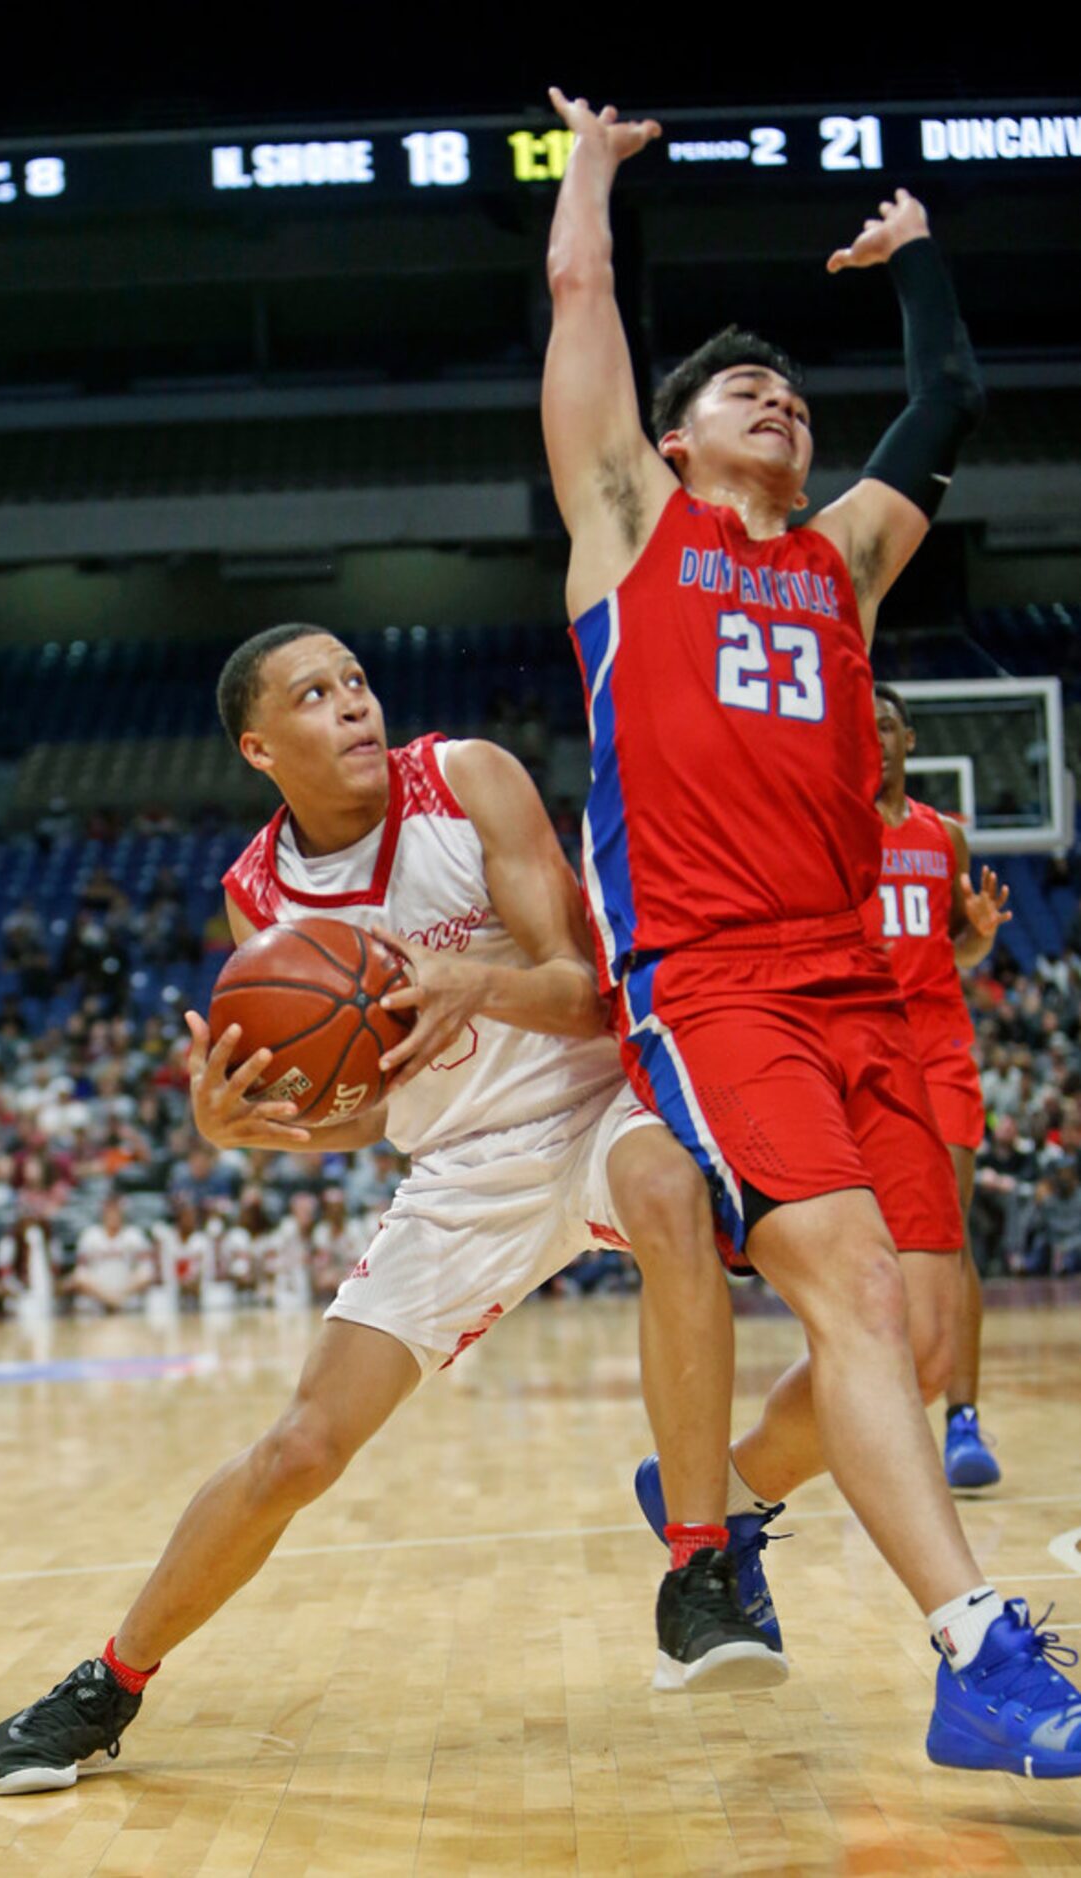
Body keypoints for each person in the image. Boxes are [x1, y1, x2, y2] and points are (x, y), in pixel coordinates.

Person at [0, 623, 769, 1797]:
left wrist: (476, 983)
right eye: (315, 693)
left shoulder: (467, 779)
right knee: (301, 1446)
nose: (353, 704)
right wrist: (252, 1125)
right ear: (259, 745)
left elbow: (592, 994)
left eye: (356, 681)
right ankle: (111, 1680)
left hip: (604, 1101)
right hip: (459, 1167)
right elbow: (360, 1101)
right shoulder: (263, 897)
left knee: (665, 1190)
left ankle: (700, 1566)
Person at [542, 87, 1081, 1776]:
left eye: (787, 387)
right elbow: (578, 313)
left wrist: (917, 257)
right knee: (851, 1283)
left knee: (914, 1343)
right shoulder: (633, 534)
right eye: (735, 389)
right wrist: (585, 173)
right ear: (678, 439)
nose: (773, 398)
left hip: (856, 986)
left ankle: (721, 1498)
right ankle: (974, 1656)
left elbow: (947, 399)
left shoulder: (837, 566)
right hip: (710, 986)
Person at [872, 684, 1012, 1486]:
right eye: (862, 727)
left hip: (937, 1045)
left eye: (887, 725)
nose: (876, 738)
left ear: (911, 740)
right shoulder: (832, 826)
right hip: (862, 1045)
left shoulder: (945, 838)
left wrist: (978, 936)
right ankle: (887, 1415)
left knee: (947, 1234)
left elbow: (955, 949)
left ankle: (964, 1421)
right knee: (876, 1248)